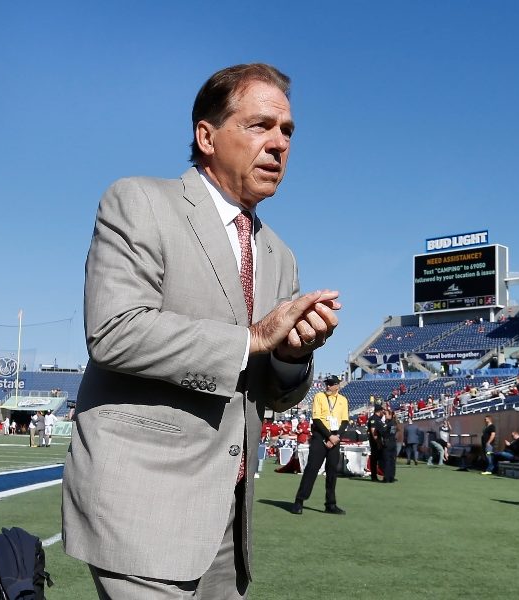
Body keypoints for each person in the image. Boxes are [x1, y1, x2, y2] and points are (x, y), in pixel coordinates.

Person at [62, 63, 342, 599]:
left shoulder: (280, 255)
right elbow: (114, 331)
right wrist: (254, 339)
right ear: (206, 136)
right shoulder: (140, 202)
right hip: (142, 506)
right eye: (260, 125)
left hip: (228, 521)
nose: (279, 143)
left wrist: (291, 355)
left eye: (287, 131)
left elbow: (274, 396)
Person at [293, 375, 349, 515]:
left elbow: (345, 421)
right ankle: (299, 501)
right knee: (312, 469)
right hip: (320, 435)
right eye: (327, 384)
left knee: (332, 472)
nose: (328, 387)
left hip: (335, 437)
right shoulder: (319, 396)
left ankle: (330, 504)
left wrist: (335, 437)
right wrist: (328, 436)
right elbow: (317, 419)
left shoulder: (343, 400)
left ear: (337, 385)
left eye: (331, 384)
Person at [380, 406, 399, 482]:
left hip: (388, 443)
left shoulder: (389, 424)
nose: (385, 416)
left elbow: (386, 433)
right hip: (393, 443)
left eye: (386, 414)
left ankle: (387, 477)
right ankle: (391, 477)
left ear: (390, 415)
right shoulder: (393, 423)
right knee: (392, 461)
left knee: (387, 461)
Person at [367, 404, 385, 481]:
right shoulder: (373, 419)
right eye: (382, 411)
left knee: (378, 459)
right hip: (375, 443)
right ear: (380, 411)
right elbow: (373, 432)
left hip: (378, 442)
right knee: (375, 459)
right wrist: (378, 442)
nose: (383, 412)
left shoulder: (378, 418)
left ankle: (378, 475)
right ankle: (374, 476)